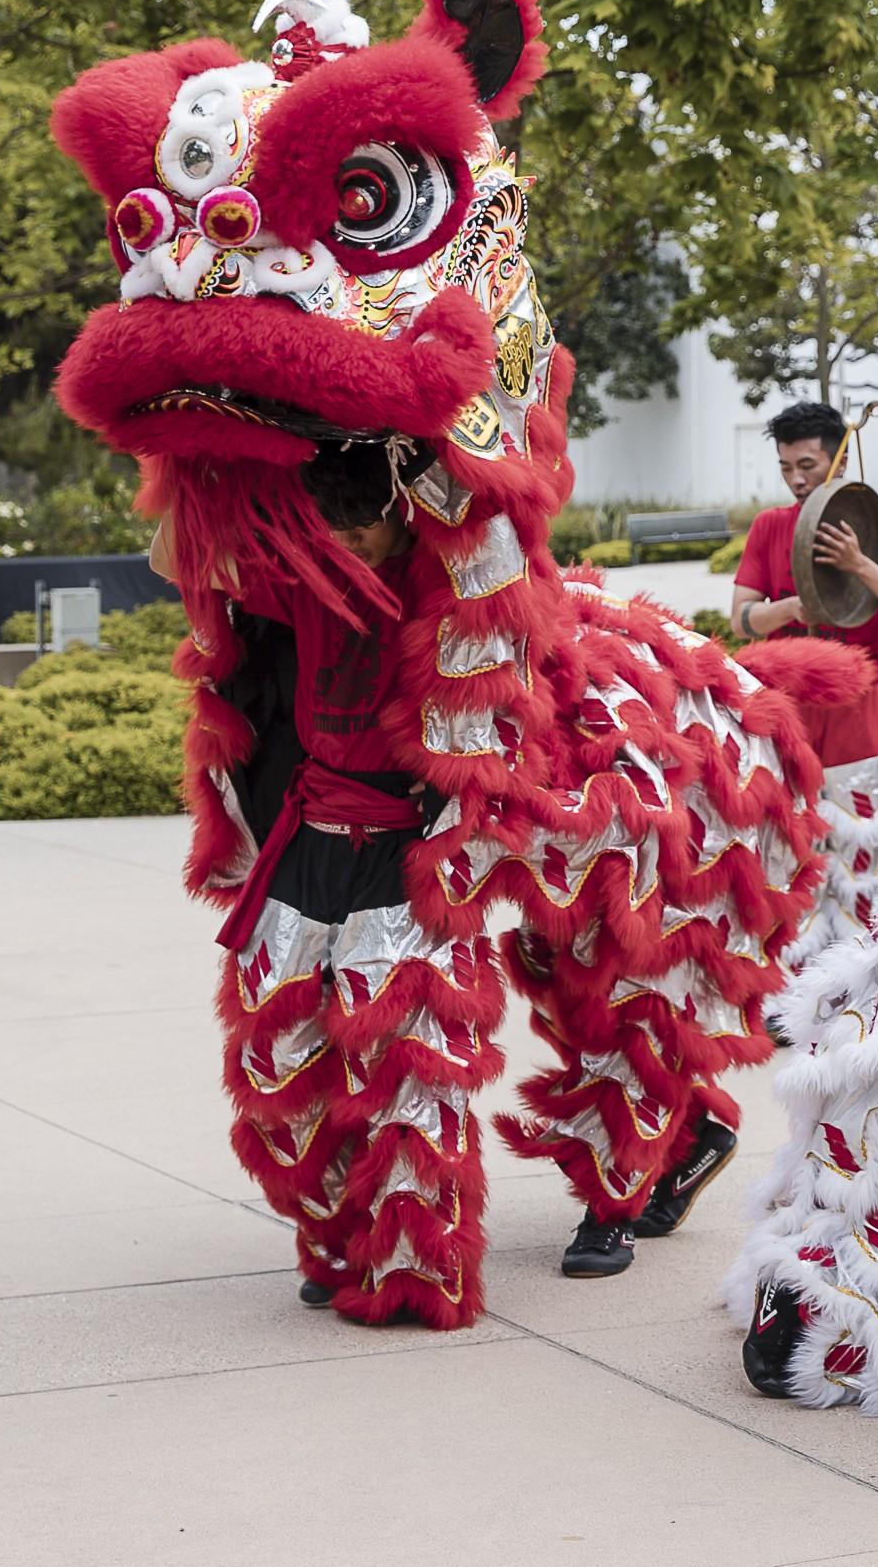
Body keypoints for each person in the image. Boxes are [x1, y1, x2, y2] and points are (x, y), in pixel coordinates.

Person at [151, 440, 511, 1319]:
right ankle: (330, 1234)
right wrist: (189, 463)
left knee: (404, 1065)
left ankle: (413, 1261)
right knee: (279, 1053)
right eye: (335, 526)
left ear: (396, 512)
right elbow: (178, 557)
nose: (351, 542)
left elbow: (495, 549)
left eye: (364, 525)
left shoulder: (445, 581)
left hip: (405, 844)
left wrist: (428, 441)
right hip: (307, 834)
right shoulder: (305, 576)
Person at [731, 400, 878, 966]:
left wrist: (860, 564)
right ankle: (787, 986)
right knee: (785, 847)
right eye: (786, 468)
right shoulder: (770, 527)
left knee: (862, 849)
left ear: (838, 463)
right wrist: (796, 605)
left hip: (859, 707)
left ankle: (860, 982)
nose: (797, 479)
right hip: (787, 709)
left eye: (808, 466)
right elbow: (740, 618)